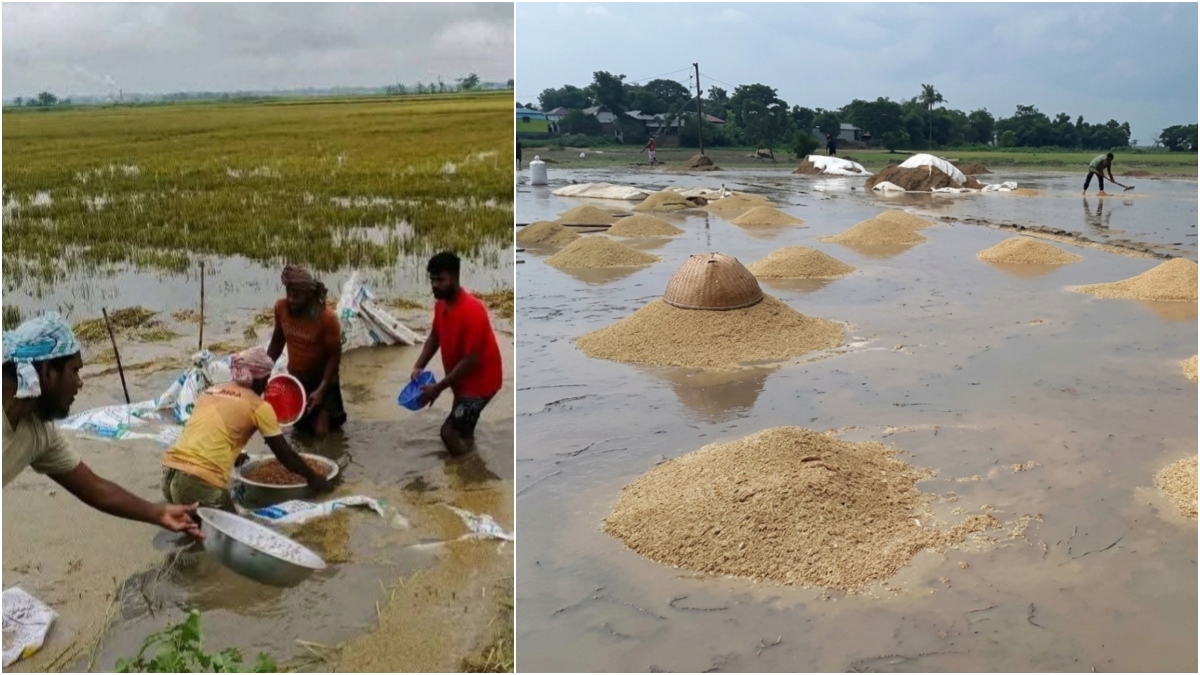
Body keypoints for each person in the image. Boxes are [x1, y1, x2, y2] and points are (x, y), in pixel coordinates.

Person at [3, 313, 202, 539]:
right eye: (74, 371)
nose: (80, 383)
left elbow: (99, 490)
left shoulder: (40, 432)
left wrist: (158, 513)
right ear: (49, 371)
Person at [160, 347, 329, 510]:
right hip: (198, 481)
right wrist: (313, 477)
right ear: (260, 378)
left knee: (197, 532)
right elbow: (284, 455)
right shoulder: (258, 406)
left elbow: (209, 431)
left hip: (170, 474)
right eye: (267, 378)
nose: (267, 384)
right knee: (232, 534)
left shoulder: (212, 391)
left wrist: (234, 455)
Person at [409, 252, 503, 456]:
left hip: (480, 384)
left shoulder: (473, 310)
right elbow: (434, 337)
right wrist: (419, 365)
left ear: (455, 277)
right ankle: (470, 456)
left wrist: (438, 388)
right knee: (463, 428)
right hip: (462, 381)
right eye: (432, 279)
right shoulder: (441, 305)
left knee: (449, 432)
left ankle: (469, 473)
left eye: (440, 279)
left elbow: (472, 360)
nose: (435, 285)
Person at [268, 265, 346, 436]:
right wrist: (264, 371)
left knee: (321, 430)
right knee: (299, 427)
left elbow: (334, 357)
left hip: (323, 379)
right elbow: (277, 341)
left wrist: (321, 389)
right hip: (297, 378)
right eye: (289, 294)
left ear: (309, 296)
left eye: (297, 296)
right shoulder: (281, 308)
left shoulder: (327, 319)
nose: (291, 300)